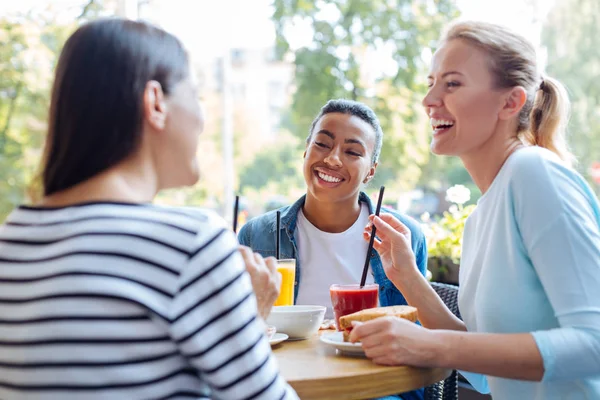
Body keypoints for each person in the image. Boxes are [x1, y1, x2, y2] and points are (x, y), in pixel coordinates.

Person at [0, 18, 297, 400]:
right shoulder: (190, 243)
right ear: (155, 102)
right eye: (196, 94)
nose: (203, 120)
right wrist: (248, 313)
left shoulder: (11, 238)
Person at [351, 20, 600, 399]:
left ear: (510, 101)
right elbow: (485, 370)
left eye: (452, 84)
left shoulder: (535, 174)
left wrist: (430, 345)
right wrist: (407, 277)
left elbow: (594, 345)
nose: (429, 100)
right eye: (431, 83)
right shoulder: (483, 213)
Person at [239, 99, 428, 400]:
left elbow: (418, 340)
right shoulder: (257, 235)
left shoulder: (402, 236)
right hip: (285, 386)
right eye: (322, 144)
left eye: (353, 152)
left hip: (376, 390)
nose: (333, 159)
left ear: (370, 171)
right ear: (305, 150)